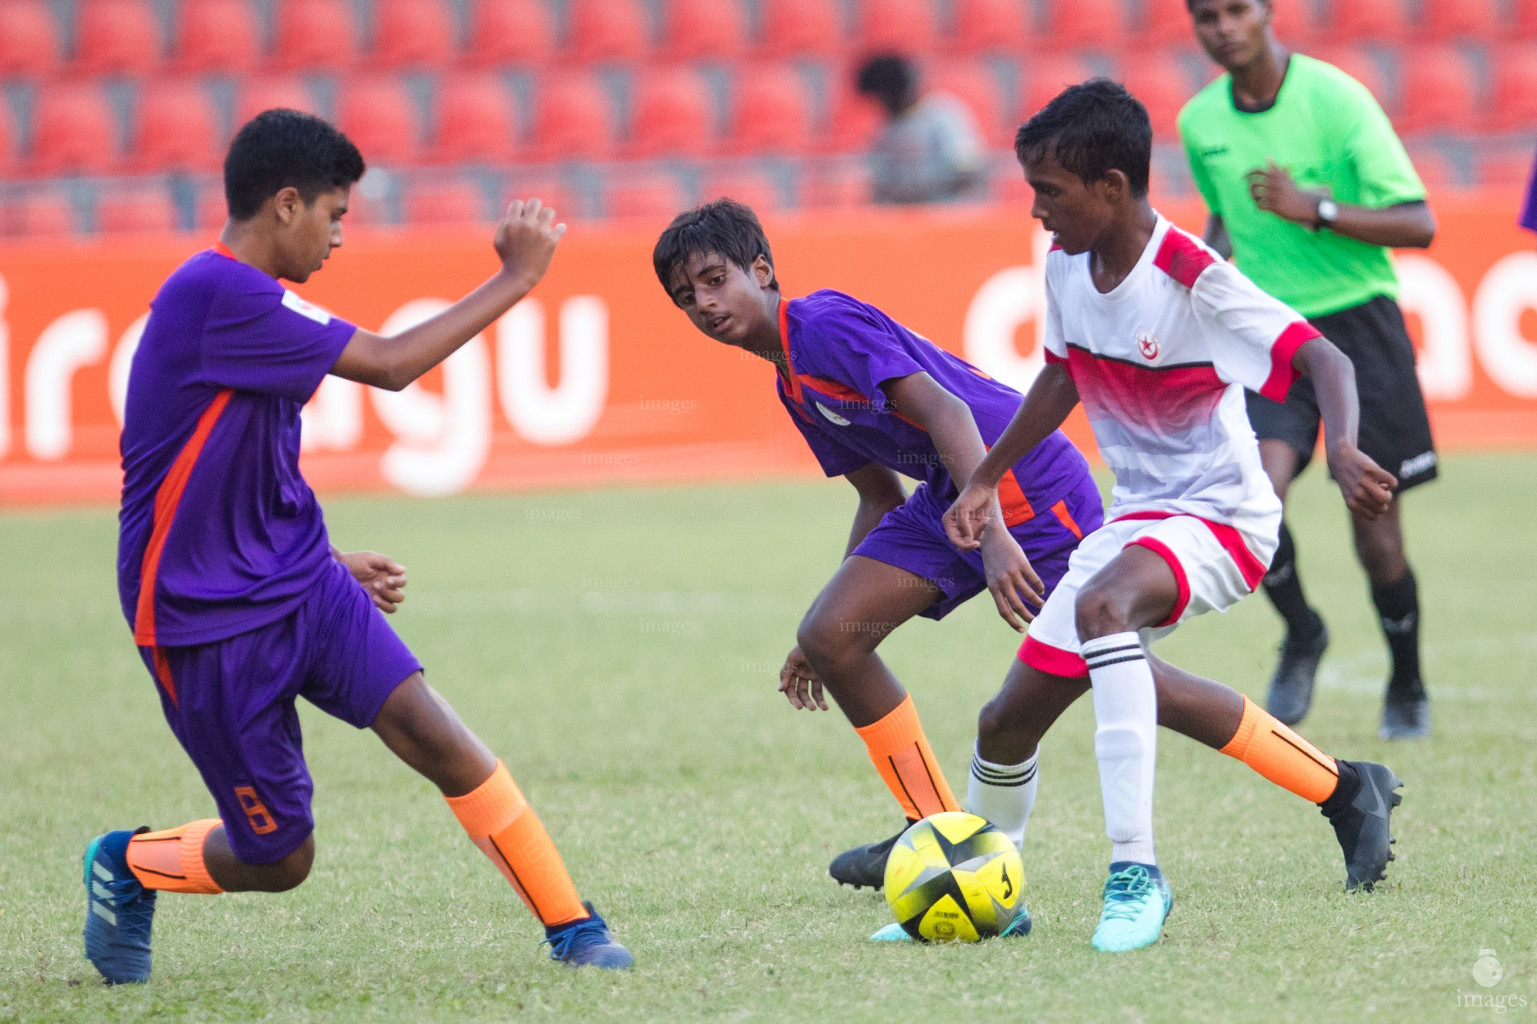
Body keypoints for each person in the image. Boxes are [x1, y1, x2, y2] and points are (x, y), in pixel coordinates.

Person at [651, 198, 1400, 945]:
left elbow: (949, 414)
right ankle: (935, 833)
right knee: (834, 636)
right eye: (685, 299)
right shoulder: (791, 379)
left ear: (761, 269)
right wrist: (827, 629)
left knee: (1128, 676)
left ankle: (1340, 785)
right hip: (956, 495)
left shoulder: (821, 326)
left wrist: (996, 535)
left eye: (715, 281)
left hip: (1030, 492)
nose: (704, 305)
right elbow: (880, 496)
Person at [84, 109, 632, 985]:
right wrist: (517, 279)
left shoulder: (252, 299)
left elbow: (231, 461)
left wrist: (325, 559)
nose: (342, 235)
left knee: (437, 735)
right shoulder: (214, 294)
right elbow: (389, 363)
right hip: (202, 618)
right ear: (288, 204)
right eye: (337, 215)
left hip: (297, 581)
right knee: (279, 856)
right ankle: (128, 862)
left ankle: (575, 928)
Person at [944, 79, 1402, 953]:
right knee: (1006, 721)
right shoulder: (1066, 265)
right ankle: (982, 892)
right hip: (1139, 518)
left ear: (1111, 187)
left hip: (1226, 519)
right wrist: (984, 481)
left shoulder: (1192, 275)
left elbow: (1326, 359)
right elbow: (1061, 374)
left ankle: (1134, 871)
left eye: (1049, 190)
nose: (1035, 209)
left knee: (1104, 612)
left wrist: (1340, 449)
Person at [1178, 0, 1438, 739]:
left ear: (1265, 13)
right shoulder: (1200, 123)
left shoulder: (1336, 98)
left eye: (1235, 11)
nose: (1222, 27)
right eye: (1205, 16)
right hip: (1269, 332)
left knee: (1375, 527)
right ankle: (1302, 631)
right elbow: (1224, 218)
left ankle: (1407, 681)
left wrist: (1313, 209)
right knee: (1255, 500)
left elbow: (1418, 221)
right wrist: (1196, 277)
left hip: (1359, 323)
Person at [855, 54, 986, 205]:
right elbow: (879, 183)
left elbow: (970, 170)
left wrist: (923, 190)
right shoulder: (885, 130)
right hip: (908, 221)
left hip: (947, 215)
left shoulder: (941, 114)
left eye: (881, 97)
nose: (880, 104)